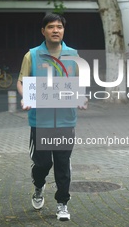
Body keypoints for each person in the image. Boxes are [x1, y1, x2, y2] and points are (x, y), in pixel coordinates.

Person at [17, 13, 87, 221]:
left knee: (63, 163)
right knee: (43, 164)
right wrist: (26, 97)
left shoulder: (73, 55)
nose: (55, 30)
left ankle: (62, 202)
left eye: (59, 27)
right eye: (51, 27)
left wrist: (81, 97)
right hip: (41, 121)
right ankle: (38, 184)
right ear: (43, 31)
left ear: (63, 30)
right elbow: (21, 81)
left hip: (66, 120)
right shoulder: (31, 55)